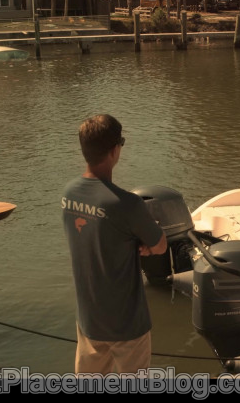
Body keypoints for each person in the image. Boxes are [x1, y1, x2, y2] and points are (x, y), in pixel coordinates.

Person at [62, 114, 168, 373]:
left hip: (89, 320)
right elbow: (161, 245)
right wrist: (147, 243)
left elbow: (96, 236)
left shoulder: (68, 194)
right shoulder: (128, 204)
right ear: (114, 150)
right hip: (127, 325)